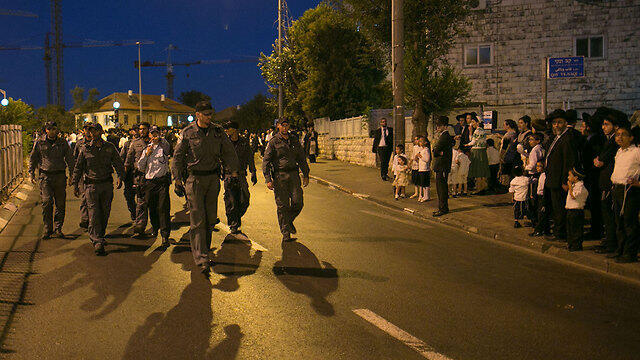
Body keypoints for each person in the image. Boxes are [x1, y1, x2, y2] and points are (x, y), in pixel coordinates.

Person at [172, 101, 240, 276]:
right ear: (198, 114)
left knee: (210, 219)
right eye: (206, 114)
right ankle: (201, 257)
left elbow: (229, 151)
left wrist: (233, 171)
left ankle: (205, 249)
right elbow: (178, 156)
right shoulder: (187, 132)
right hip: (194, 180)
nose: (209, 117)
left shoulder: (218, 132)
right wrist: (177, 178)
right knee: (198, 219)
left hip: (212, 179)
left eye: (211, 114)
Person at [72, 123, 125, 256]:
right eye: (90, 131)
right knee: (94, 213)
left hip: (106, 185)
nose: (92, 133)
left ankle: (100, 235)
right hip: (91, 186)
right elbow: (78, 167)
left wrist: (120, 176)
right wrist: (75, 184)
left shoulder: (109, 147)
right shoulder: (85, 149)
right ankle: (97, 241)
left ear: (100, 132)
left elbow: (118, 163)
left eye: (95, 131)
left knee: (105, 213)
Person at [262, 118, 310, 242]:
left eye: (286, 125)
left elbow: (301, 158)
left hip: (294, 175)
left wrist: (306, 174)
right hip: (280, 177)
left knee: (298, 202)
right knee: (282, 206)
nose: (284, 128)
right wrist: (268, 178)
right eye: (282, 125)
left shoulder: (294, 140)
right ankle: (286, 233)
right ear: (278, 126)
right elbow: (266, 161)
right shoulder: (273, 142)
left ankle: (288, 222)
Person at [29, 121, 74, 239]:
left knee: (60, 204)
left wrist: (72, 175)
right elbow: (33, 158)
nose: (52, 131)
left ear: (57, 130)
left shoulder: (62, 142)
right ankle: (47, 228)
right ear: (46, 130)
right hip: (45, 177)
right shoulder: (39, 142)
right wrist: (31, 173)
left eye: (54, 128)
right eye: (50, 129)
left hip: (59, 176)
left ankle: (58, 228)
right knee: (47, 202)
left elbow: (70, 158)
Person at [545, 109, 578, 241]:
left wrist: (565, 181)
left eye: (559, 122)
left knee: (560, 208)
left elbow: (568, 161)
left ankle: (560, 233)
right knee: (555, 207)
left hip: (560, 180)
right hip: (552, 178)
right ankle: (558, 231)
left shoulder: (567, 139)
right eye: (554, 123)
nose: (556, 125)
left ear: (565, 123)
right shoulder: (556, 137)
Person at [593, 111, 624, 254]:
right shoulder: (609, 140)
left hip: (609, 182)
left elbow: (601, 161)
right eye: (603, 124)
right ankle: (609, 241)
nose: (603, 127)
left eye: (607, 124)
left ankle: (612, 243)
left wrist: (599, 160)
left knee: (610, 215)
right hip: (606, 181)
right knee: (607, 215)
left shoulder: (613, 142)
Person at [608, 126, 640, 263]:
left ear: (631, 137)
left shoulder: (637, 152)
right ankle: (620, 249)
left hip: (630, 191)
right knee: (619, 222)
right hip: (617, 189)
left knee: (629, 222)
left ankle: (630, 253)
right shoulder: (619, 152)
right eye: (617, 135)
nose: (619, 137)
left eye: (623, 135)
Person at [136, 126, 172, 247]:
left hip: (162, 182)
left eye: (156, 133)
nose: (155, 136)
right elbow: (140, 166)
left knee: (163, 208)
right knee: (152, 207)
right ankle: (155, 228)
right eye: (152, 134)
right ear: (149, 136)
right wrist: (147, 155)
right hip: (150, 183)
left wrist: (161, 138)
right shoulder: (146, 149)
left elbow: (168, 147)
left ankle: (165, 235)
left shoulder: (164, 147)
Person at [222, 121, 257, 235]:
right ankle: (233, 223)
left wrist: (253, 172)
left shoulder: (244, 142)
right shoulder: (224, 142)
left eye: (229, 128)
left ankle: (236, 217)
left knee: (245, 200)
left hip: (241, 175)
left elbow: (249, 157)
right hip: (229, 174)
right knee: (231, 201)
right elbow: (219, 158)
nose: (226, 130)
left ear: (235, 129)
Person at [125, 122, 156, 236]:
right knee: (141, 202)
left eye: (144, 129)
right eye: (140, 129)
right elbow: (128, 161)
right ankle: (140, 227)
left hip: (153, 177)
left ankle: (155, 227)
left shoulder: (155, 142)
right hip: (140, 177)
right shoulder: (135, 143)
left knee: (153, 203)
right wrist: (123, 176)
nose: (142, 131)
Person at [432, 116, 454, 217]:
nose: (437, 128)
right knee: (440, 188)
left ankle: (443, 208)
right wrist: (437, 151)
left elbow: (436, 150)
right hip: (441, 165)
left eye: (439, 126)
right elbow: (436, 150)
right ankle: (442, 207)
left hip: (442, 166)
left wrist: (438, 152)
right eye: (437, 126)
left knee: (442, 189)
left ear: (445, 126)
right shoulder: (443, 136)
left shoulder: (445, 136)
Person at [566, 167, 589, 251]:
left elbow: (574, 196)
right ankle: (570, 243)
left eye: (570, 175)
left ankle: (576, 245)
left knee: (576, 229)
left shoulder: (580, 187)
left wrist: (569, 187)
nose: (568, 177)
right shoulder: (574, 185)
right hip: (570, 209)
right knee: (570, 229)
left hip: (576, 210)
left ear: (576, 177)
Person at [466, 116, 491, 194]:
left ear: (477, 122)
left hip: (477, 151)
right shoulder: (481, 130)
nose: (471, 124)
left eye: (473, 122)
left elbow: (473, 142)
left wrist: (467, 145)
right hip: (481, 151)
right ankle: (482, 187)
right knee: (481, 170)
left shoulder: (477, 131)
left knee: (478, 170)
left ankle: (479, 188)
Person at [120, 128, 139, 221]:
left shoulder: (144, 144)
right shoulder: (127, 144)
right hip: (129, 174)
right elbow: (121, 158)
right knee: (128, 195)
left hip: (140, 174)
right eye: (134, 135)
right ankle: (133, 211)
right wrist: (121, 175)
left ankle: (140, 216)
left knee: (141, 196)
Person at [530, 161, 551, 237]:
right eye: (537, 166)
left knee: (541, 214)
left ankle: (538, 230)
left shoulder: (544, 176)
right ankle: (546, 230)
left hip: (543, 197)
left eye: (539, 166)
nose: (537, 168)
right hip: (539, 196)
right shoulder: (540, 175)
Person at [414, 136, 432, 202]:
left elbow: (427, 159)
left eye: (421, 141)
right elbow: (419, 160)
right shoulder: (421, 150)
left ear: (425, 142)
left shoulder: (426, 150)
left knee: (425, 183)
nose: (419, 142)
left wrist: (420, 156)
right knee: (422, 183)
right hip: (421, 168)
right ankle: (424, 196)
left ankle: (426, 196)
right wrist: (417, 158)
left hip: (425, 169)